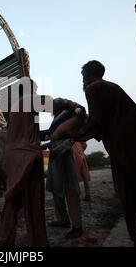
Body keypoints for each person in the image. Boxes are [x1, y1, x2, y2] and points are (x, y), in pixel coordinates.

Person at [51, 60, 136, 247]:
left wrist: (72, 134)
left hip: (125, 150)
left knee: (131, 199)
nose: (83, 81)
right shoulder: (113, 87)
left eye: (83, 77)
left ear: (87, 76)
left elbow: (95, 122)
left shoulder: (93, 88)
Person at [0, 78, 50, 247]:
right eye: (34, 89)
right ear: (28, 90)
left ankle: (5, 241)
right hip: (28, 158)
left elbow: (29, 131)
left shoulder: (15, 108)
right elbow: (53, 103)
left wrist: (46, 133)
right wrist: (74, 107)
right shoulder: (29, 101)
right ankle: (39, 244)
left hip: (13, 159)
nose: (36, 92)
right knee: (34, 203)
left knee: (12, 200)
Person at [44, 101, 86, 239]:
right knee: (57, 191)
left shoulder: (69, 115)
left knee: (71, 191)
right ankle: (62, 219)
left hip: (64, 156)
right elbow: (55, 137)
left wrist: (58, 150)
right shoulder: (57, 119)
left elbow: (71, 139)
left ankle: (77, 226)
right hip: (55, 158)